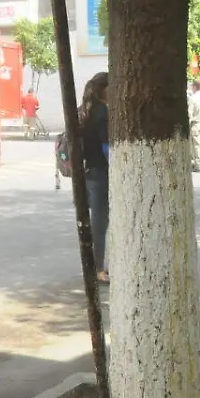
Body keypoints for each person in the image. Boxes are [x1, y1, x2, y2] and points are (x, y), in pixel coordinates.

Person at [80, 72, 111, 284]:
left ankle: (92, 266)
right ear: (104, 90)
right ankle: (99, 269)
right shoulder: (103, 113)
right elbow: (106, 147)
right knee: (100, 223)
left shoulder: (83, 110)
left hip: (85, 172)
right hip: (101, 173)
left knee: (91, 222)